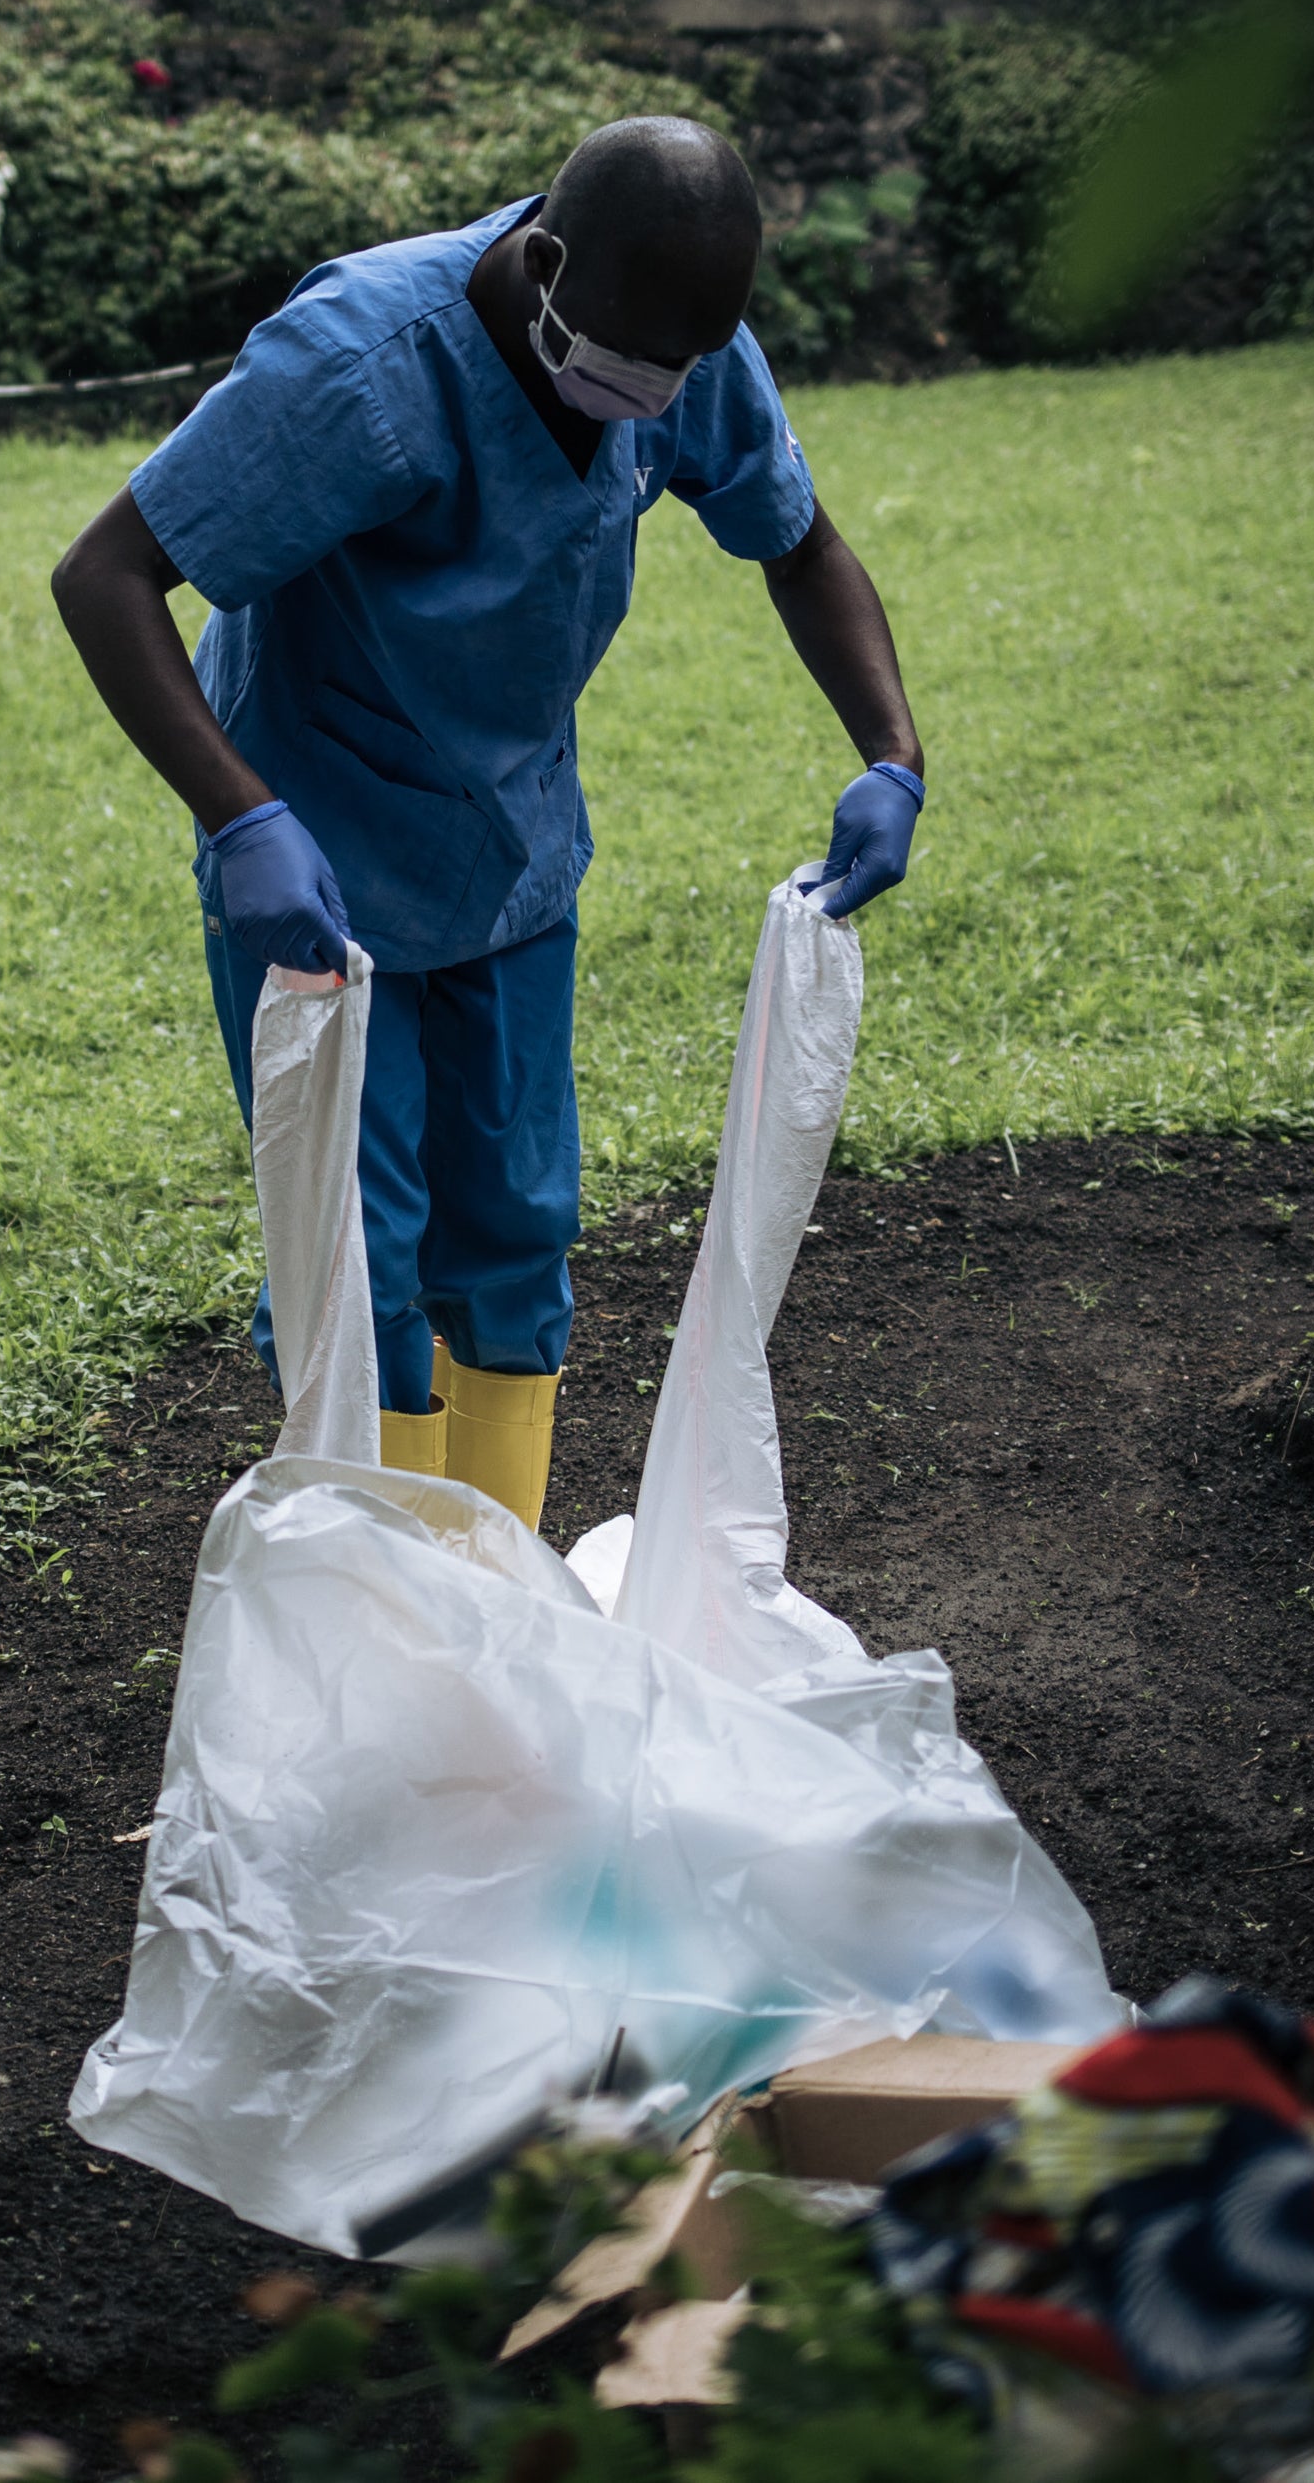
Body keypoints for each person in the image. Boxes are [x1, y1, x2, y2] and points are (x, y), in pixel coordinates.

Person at [51, 117, 923, 1529]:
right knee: (363, 1262)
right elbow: (106, 576)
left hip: (512, 856)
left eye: (678, 375)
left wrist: (891, 755)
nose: (641, 403)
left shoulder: (678, 357)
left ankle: (493, 1600)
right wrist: (241, 819)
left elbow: (802, 543)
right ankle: (385, 1622)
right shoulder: (357, 363)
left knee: (518, 1233)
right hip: (319, 874)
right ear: (544, 263)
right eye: (627, 365)